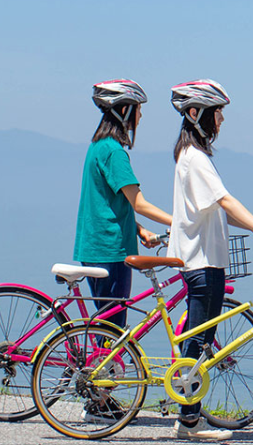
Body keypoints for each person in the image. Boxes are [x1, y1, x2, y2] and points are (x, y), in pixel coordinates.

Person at [166, 79, 253, 441]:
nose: (221, 119)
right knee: (197, 343)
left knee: (200, 341)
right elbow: (226, 200)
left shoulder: (192, 157)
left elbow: (222, 211)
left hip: (207, 262)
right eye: (217, 112)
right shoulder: (196, 158)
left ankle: (189, 416)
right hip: (202, 264)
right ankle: (188, 421)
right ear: (195, 114)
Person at [74, 79, 172, 332]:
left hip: (94, 246)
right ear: (125, 110)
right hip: (111, 250)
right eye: (138, 109)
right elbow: (139, 203)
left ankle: (100, 368)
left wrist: (139, 231)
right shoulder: (114, 152)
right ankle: (101, 371)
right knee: (112, 331)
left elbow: (108, 204)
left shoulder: (98, 147)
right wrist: (182, 221)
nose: (140, 116)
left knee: (105, 326)